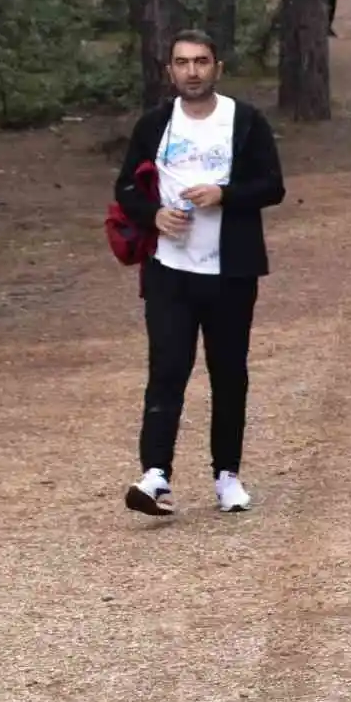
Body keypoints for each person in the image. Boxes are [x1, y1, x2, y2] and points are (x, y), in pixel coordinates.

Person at [114, 29, 286, 516]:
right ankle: (155, 476)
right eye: (183, 62)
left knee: (228, 373)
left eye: (202, 61)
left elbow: (273, 186)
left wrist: (224, 194)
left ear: (218, 68)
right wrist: (154, 216)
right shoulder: (153, 125)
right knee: (167, 369)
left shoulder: (245, 121)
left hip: (231, 270)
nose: (192, 71)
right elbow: (126, 187)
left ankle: (227, 476)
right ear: (169, 70)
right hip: (170, 267)